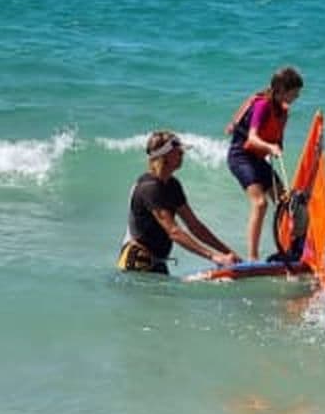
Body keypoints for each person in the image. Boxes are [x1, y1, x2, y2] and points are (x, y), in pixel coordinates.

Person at [118, 130, 240, 274]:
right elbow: (174, 232)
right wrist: (214, 257)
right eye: (178, 151)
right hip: (136, 263)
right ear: (165, 156)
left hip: (157, 262)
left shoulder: (172, 184)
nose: (183, 153)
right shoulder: (149, 188)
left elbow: (195, 226)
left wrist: (228, 253)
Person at [226, 67, 304, 261]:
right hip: (241, 156)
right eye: (294, 92)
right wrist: (271, 147)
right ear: (280, 90)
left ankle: (289, 250)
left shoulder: (284, 111)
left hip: (258, 159)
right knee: (260, 203)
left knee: (286, 203)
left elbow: (277, 139)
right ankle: (253, 258)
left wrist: (277, 146)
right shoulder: (262, 105)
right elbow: (252, 139)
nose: (297, 96)